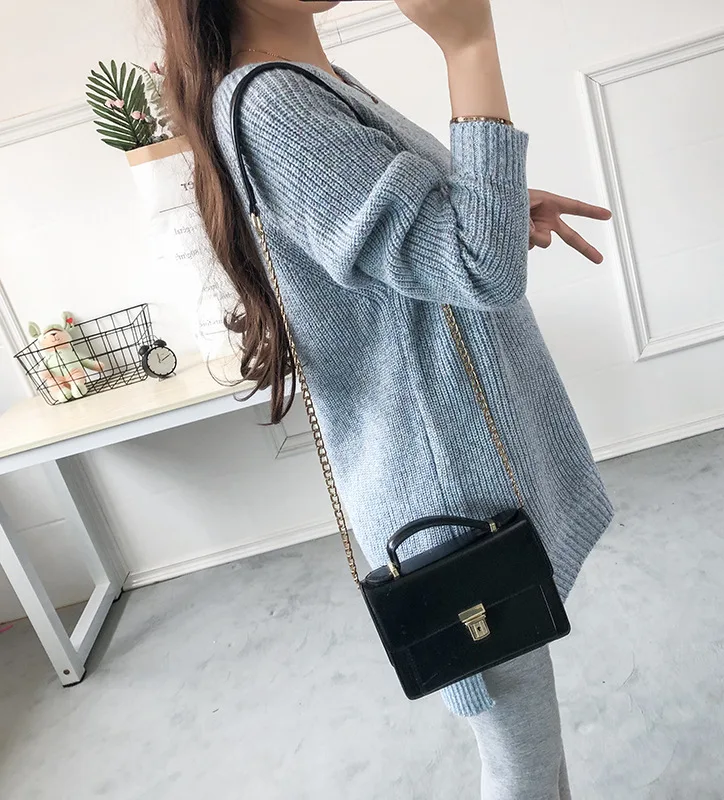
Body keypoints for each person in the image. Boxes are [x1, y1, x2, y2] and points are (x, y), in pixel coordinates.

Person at [152, 0, 615, 797]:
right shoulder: (271, 102)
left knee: (525, 740)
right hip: (451, 503)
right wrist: (470, 42)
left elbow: (423, 253)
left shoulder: (309, 81)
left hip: (455, 475)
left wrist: (493, 207)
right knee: (523, 762)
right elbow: (479, 268)